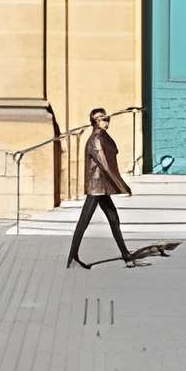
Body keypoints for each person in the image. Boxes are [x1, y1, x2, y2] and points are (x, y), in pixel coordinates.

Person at [68, 107, 136, 269]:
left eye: (107, 118)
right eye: (103, 119)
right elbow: (105, 166)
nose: (107, 120)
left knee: (113, 219)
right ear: (96, 122)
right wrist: (122, 185)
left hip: (102, 187)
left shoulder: (102, 136)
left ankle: (126, 255)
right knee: (84, 222)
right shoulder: (96, 139)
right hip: (96, 187)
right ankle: (73, 257)